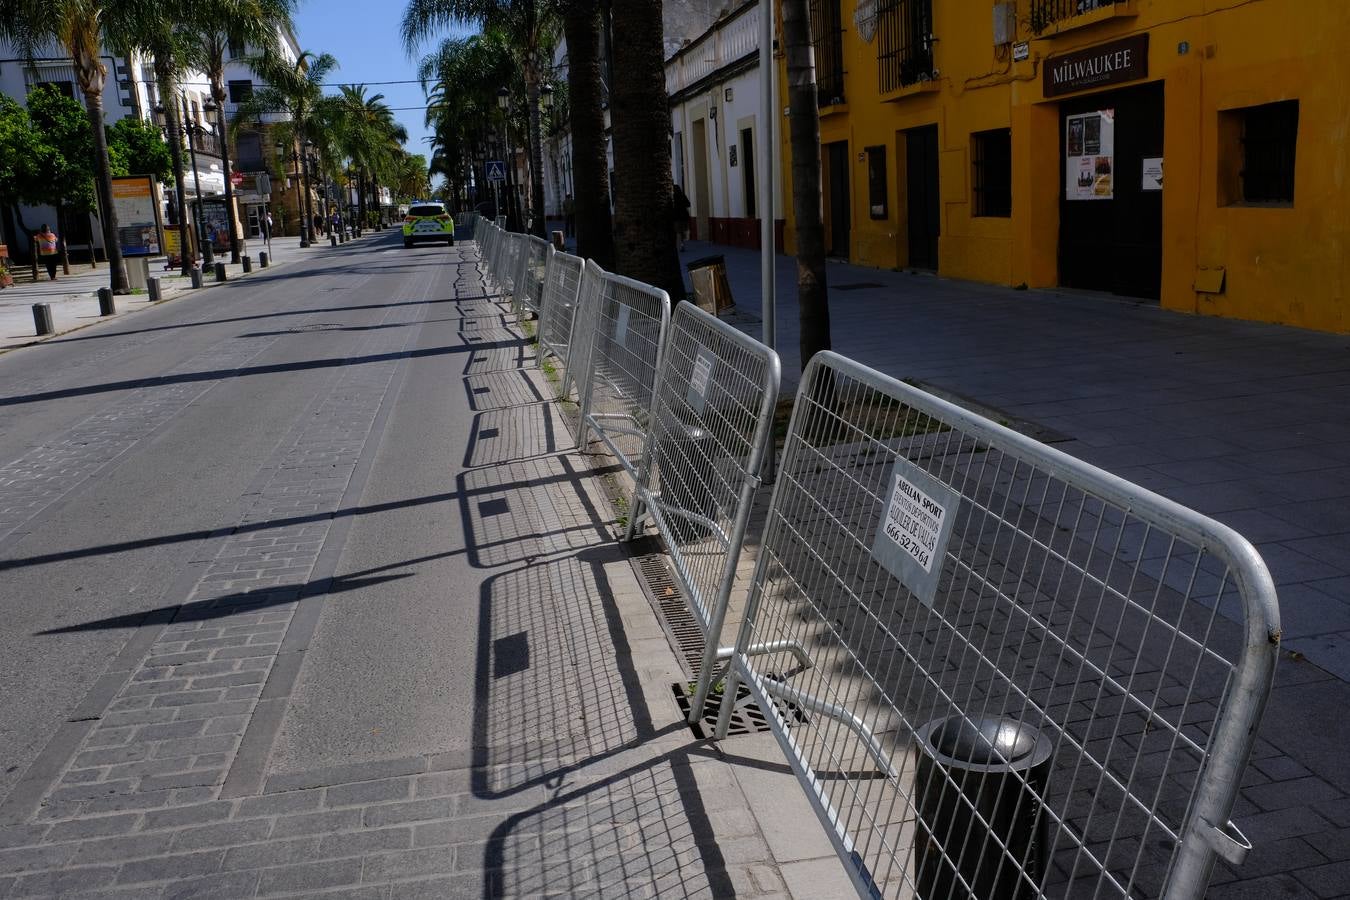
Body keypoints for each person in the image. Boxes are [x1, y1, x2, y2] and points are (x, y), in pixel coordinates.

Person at [673, 183, 691, 251]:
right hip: (684, 216)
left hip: (676, 216)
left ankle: (679, 246)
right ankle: (682, 244)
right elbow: (688, 204)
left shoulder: (673, 197)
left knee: (678, 231)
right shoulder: (683, 196)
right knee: (683, 231)